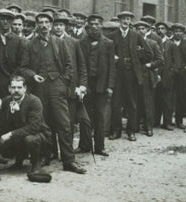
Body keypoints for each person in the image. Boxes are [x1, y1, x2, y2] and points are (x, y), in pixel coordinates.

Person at [24, 12, 86, 174]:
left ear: (51, 25)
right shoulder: (30, 44)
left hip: (57, 87)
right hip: (39, 88)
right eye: (40, 22)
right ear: (37, 25)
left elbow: (69, 66)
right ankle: (46, 155)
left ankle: (68, 160)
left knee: (64, 124)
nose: (44, 25)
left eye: (46, 22)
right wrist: (32, 75)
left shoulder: (59, 42)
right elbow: (23, 67)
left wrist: (62, 82)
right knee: (44, 123)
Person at [108, 11, 152, 142]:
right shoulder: (112, 36)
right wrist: (113, 57)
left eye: (128, 19)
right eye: (123, 19)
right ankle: (116, 130)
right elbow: (106, 54)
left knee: (131, 103)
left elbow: (148, 54)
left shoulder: (136, 35)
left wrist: (135, 57)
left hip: (131, 74)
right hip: (117, 74)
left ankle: (131, 131)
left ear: (130, 21)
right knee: (116, 103)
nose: (126, 21)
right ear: (119, 20)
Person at [51, 14, 91, 154]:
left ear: (65, 26)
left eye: (60, 25)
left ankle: (67, 152)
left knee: (69, 122)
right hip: (54, 88)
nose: (58, 28)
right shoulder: (48, 41)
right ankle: (52, 152)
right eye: (55, 25)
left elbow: (82, 66)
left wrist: (82, 86)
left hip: (71, 89)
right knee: (52, 121)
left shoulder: (73, 42)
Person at [0, 76, 52, 174]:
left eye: (19, 87)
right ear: (9, 88)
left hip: (39, 135)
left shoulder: (34, 101)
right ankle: (19, 161)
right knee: (2, 140)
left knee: (30, 139)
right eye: (13, 88)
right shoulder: (6, 101)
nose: (16, 90)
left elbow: (34, 127)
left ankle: (36, 164)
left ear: (25, 88)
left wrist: (10, 134)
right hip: (19, 136)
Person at [78, 14, 115, 156]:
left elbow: (112, 67)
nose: (94, 26)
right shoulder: (82, 42)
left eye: (97, 24)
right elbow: (80, 65)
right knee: (85, 116)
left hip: (102, 85)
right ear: (88, 26)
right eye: (92, 24)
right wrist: (81, 85)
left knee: (100, 116)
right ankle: (84, 145)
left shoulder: (108, 43)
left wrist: (110, 86)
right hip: (86, 85)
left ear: (101, 26)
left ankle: (100, 147)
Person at [134, 21, 163, 137]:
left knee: (148, 102)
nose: (140, 30)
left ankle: (148, 127)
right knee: (135, 101)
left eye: (143, 28)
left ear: (147, 30)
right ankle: (134, 125)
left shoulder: (153, 43)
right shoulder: (132, 42)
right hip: (135, 76)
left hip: (147, 76)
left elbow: (160, 60)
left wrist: (149, 65)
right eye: (138, 28)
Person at [154, 21, 177, 130]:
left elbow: (176, 61)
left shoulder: (171, 44)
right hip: (155, 75)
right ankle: (155, 121)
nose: (160, 31)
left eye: (163, 29)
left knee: (167, 101)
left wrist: (171, 73)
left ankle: (167, 122)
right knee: (156, 99)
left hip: (167, 77)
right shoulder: (153, 42)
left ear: (166, 31)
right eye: (158, 29)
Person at [170, 23, 186, 130]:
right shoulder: (169, 42)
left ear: (183, 33)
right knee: (169, 97)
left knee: (181, 97)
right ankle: (168, 120)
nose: (178, 33)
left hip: (182, 75)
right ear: (173, 32)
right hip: (170, 74)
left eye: (180, 31)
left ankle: (179, 120)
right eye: (176, 31)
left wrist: (185, 67)